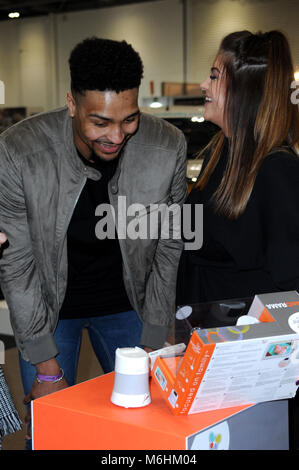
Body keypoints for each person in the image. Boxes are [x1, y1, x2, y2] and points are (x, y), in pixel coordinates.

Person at [0, 37, 187, 447]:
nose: (117, 136)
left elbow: (169, 246)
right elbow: (17, 264)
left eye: (129, 120)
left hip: (127, 305)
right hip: (50, 310)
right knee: (52, 435)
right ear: (71, 104)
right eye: (100, 122)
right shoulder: (19, 151)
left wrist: (157, 334)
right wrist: (47, 370)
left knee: (145, 433)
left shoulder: (167, 146)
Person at [176, 30, 299, 306]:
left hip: (244, 336)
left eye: (214, 77)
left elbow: (291, 279)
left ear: (244, 91)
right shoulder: (219, 153)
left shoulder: (277, 170)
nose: (203, 85)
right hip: (204, 327)